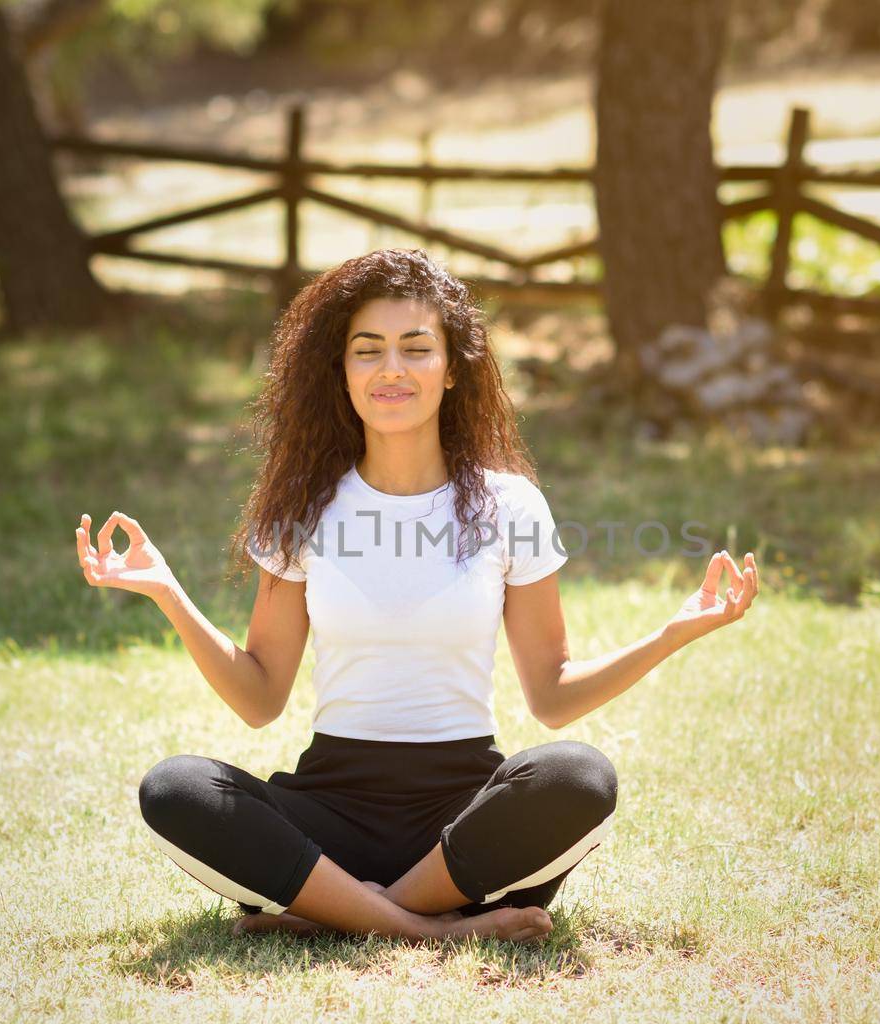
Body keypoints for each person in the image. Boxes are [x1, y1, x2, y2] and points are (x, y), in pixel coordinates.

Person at [74, 248, 758, 945]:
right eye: (367, 350)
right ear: (340, 370)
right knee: (176, 789)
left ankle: (341, 915)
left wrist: (671, 634)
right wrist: (166, 593)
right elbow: (259, 697)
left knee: (578, 777)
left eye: (415, 348)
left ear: (452, 367)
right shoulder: (300, 510)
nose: (391, 369)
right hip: (329, 815)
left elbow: (551, 695)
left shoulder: (510, 506)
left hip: (460, 831)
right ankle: (434, 930)